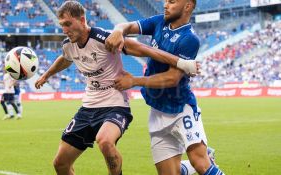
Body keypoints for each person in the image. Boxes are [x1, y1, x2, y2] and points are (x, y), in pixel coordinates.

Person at [35, 1, 200, 175]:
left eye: (68, 24)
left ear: (82, 20)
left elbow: (144, 49)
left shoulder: (105, 39)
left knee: (105, 141)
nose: (65, 30)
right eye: (62, 25)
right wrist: (46, 75)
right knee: (60, 164)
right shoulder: (68, 45)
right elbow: (65, 58)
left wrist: (181, 62)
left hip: (115, 105)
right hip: (88, 107)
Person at [105, 0, 225, 175]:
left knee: (200, 163)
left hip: (180, 109)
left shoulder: (189, 39)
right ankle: (200, 160)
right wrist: (118, 30)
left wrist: (135, 81)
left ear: (188, 6)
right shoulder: (159, 21)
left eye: (172, 1)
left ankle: (204, 159)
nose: (165, 4)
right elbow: (127, 26)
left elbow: (172, 78)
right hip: (157, 111)